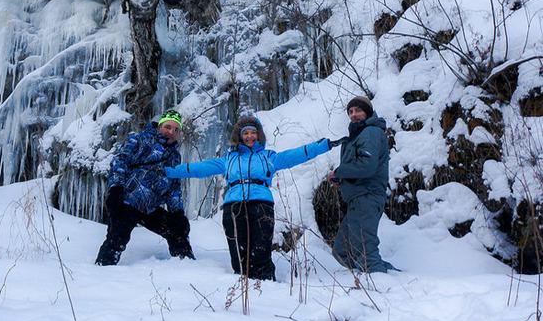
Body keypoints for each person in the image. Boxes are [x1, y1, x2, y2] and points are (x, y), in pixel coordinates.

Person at [166, 115, 340, 281]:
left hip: (261, 204)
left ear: (259, 135)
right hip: (233, 206)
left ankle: (265, 286)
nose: (250, 136)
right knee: (238, 252)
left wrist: (324, 145)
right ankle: (242, 291)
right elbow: (198, 168)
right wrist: (168, 171)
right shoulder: (228, 159)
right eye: (245, 133)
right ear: (240, 137)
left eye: (253, 132)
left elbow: (298, 154)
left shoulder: (269, 157)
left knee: (261, 249)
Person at [95, 109, 194, 265]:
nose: (171, 132)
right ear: (160, 125)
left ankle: (189, 267)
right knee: (116, 240)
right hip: (128, 201)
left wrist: (177, 212)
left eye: (176, 129)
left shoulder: (175, 156)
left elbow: (173, 186)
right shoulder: (139, 139)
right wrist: (115, 189)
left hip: (151, 208)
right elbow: (119, 162)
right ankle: (101, 271)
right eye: (168, 127)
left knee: (177, 232)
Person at [328, 96, 396, 273]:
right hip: (356, 200)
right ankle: (380, 276)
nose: (353, 114)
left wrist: (339, 172)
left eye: (358, 110)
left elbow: (367, 165)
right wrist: (341, 179)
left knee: (366, 252)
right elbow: (360, 166)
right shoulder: (358, 135)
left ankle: (382, 286)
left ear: (367, 112)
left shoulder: (371, 132)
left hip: (367, 197)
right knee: (342, 252)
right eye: (350, 112)